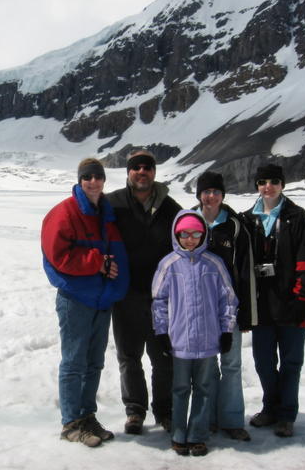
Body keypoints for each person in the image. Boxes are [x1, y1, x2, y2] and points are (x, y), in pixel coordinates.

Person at [41, 158, 130, 447]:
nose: (93, 182)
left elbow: (117, 256)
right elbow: (58, 257)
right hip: (76, 299)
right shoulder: (63, 213)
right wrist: (97, 263)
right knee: (74, 361)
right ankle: (70, 423)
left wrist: (114, 282)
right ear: (80, 181)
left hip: (101, 300)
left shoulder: (105, 214)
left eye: (98, 177)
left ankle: (87, 416)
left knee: (94, 362)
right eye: (87, 177)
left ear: (104, 180)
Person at [242, 164, 305, 438]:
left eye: (274, 181)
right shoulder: (247, 219)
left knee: (291, 362)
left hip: (291, 302)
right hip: (261, 304)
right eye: (262, 182)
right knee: (263, 360)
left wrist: (302, 295)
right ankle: (270, 408)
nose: (268, 187)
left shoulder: (298, 218)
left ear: (282, 184)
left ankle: (286, 414)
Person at [106, 150, 181, 434]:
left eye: (147, 167)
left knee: (163, 357)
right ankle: (135, 410)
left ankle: (165, 411)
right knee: (129, 356)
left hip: (161, 297)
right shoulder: (113, 203)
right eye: (136, 167)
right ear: (128, 172)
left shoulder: (171, 208)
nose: (141, 172)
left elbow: (185, 244)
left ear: (154, 172)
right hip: (125, 295)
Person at [152, 211, 239, 457]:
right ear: (176, 235)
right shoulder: (168, 264)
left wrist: (226, 330)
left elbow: (228, 299)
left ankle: (198, 435)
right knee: (180, 388)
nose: (190, 239)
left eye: (195, 234)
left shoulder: (214, 263)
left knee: (204, 387)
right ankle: (179, 433)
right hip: (179, 341)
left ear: (204, 235)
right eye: (185, 234)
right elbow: (158, 300)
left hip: (208, 341)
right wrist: (161, 332)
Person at [193, 171, 257, 441]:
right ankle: (207, 418)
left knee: (231, 364)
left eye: (216, 192)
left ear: (222, 195)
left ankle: (231, 420)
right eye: (206, 192)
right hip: (199, 309)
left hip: (228, 308)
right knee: (206, 365)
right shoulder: (188, 222)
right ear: (199, 195)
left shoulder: (235, 226)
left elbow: (246, 271)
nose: (211, 197)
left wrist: (246, 313)